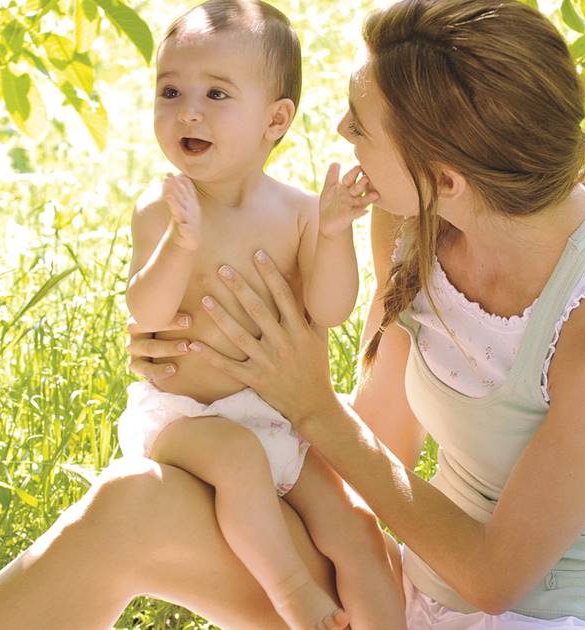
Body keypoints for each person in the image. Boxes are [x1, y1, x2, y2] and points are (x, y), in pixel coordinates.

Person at [0, 0, 585, 628]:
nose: (339, 133)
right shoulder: (413, 223)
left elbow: (493, 578)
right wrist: (216, 375)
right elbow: (381, 452)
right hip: (410, 599)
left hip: (555, 618)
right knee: (127, 506)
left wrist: (311, 402)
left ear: (446, 179)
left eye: (360, 126)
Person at [118, 1, 403, 627]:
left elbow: (329, 310)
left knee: (355, 528)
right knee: (239, 461)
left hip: (278, 421)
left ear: (276, 120)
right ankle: (295, 595)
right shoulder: (164, 211)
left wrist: (332, 234)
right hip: (186, 420)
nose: (187, 110)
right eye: (170, 91)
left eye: (216, 93)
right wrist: (179, 247)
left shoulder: (300, 213)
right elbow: (144, 313)